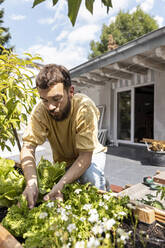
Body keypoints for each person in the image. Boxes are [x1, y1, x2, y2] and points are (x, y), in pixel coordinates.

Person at [21, 64, 107, 209]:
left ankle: (104, 201)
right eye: (45, 100)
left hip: (91, 155)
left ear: (70, 91)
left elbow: (85, 158)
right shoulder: (41, 111)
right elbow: (28, 147)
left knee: (90, 178)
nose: (50, 107)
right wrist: (31, 182)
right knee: (60, 192)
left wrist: (61, 184)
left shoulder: (84, 107)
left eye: (56, 98)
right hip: (63, 161)